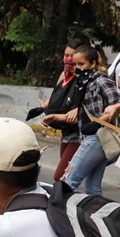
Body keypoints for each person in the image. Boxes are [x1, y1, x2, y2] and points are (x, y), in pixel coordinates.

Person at [61, 46, 120, 197]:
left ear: (93, 63)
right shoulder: (83, 82)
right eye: (75, 65)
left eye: (81, 64)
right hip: (90, 138)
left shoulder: (101, 79)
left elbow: (116, 105)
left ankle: (65, 217)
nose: (78, 68)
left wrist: (97, 122)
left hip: (97, 137)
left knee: (68, 182)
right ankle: (95, 218)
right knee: (92, 188)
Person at [40, 42, 84, 181]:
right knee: (65, 176)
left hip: (79, 131)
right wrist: (42, 110)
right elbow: (55, 96)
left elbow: (91, 101)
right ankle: (66, 200)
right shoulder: (65, 74)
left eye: (72, 56)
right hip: (66, 129)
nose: (69, 59)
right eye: (66, 55)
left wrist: (78, 109)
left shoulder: (85, 75)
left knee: (60, 175)